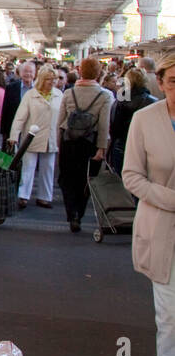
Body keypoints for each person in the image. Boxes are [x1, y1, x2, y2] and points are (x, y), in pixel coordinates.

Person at [120, 51, 175, 356]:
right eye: (173, 81)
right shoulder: (144, 120)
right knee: (170, 324)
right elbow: (131, 177)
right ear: (160, 82)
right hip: (162, 233)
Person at [56, 57, 113, 233]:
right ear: (98, 73)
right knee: (86, 180)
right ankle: (79, 213)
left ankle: (71, 211)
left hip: (69, 142)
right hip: (90, 143)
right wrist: (102, 148)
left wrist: (59, 144)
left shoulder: (68, 93)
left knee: (67, 178)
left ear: (80, 71)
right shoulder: (104, 95)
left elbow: (60, 121)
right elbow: (104, 124)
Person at [9, 66, 61, 210]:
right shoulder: (31, 95)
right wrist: (14, 135)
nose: (52, 82)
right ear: (42, 80)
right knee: (28, 167)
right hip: (32, 137)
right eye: (49, 79)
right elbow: (20, 118)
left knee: (48, 168)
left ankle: (45, 197)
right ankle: (23, 196)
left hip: (51, 137)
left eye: (54, 79)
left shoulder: (58, 95)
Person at [109, 66, 157, 172]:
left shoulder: (119, 101)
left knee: (121, 182)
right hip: (144, 149)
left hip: (120, 147)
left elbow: (113, 128)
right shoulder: (152, 102)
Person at [0, 61, 37, 146]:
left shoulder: (38, 89)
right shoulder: (11, 88)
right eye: (25, 71)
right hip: (13, 128)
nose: (28, 74)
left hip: (31, 130)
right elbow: (5, 110)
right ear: (20, 73)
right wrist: (4, 132)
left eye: (30, 72)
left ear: (35, 74)